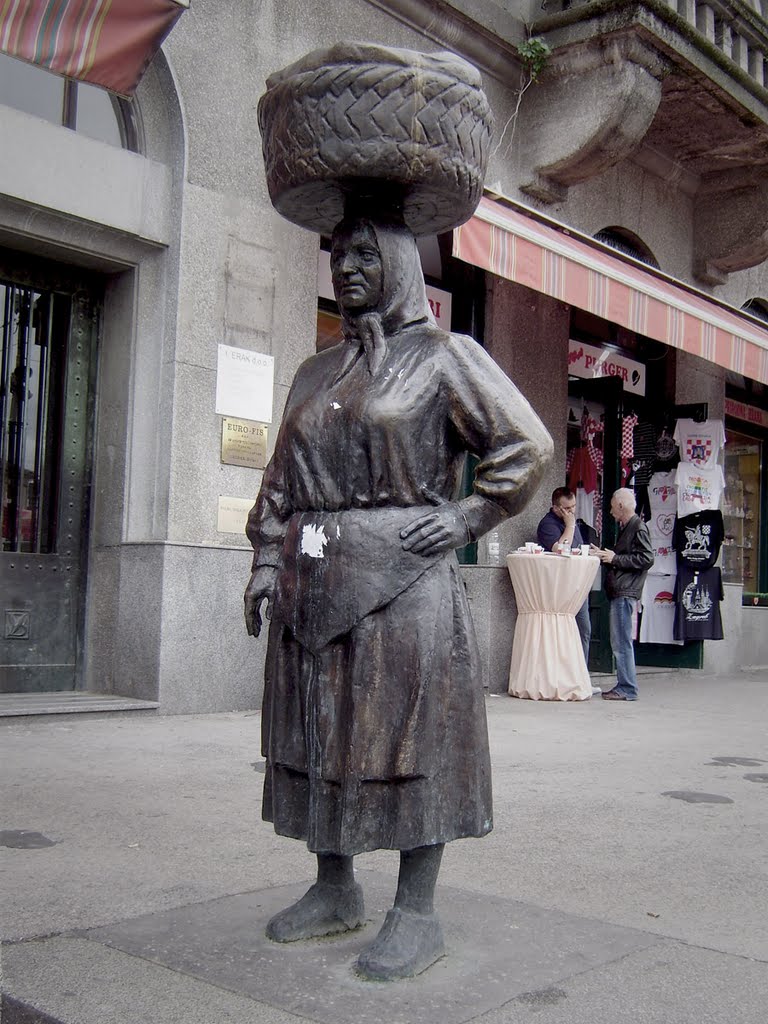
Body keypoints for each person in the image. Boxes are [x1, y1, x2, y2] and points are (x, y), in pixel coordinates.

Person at [243, 212, 552, 980]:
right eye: (337, 253)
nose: (346, 266)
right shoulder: (315, 372)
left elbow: (528, 446)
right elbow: (279, 480)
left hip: (405, 584)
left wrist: (466, 515)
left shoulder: (446, 357)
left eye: (364, 253)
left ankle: (417, 911)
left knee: (410, 742)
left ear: (400, 264)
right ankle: (334, 885)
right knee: (323, 734)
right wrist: (261, 561)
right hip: (313, 580)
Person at [590, 488, 654, 701]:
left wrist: (615, 559)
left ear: (620, 505)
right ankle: (625, 685)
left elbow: (646, 559)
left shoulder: (637, 527)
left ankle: (627, 687)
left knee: (621, 641)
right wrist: (604, 556)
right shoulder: (631, 527)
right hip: (622, 591)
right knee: (621, 640)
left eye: (611, 506)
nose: (609, 511)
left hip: (625, 592)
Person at [536, 487, 599, 694]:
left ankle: (581, 677)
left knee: (584, 630)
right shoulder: (548, 524)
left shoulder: (572, 522)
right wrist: (570, 526)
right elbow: (561, 550)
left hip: (578, 586)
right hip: (560, 588)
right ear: (555, 507)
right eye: (566, 508)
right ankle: (565, 679)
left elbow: (576, 549)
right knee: (565, 633)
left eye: (573, 507)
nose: (571, 512)